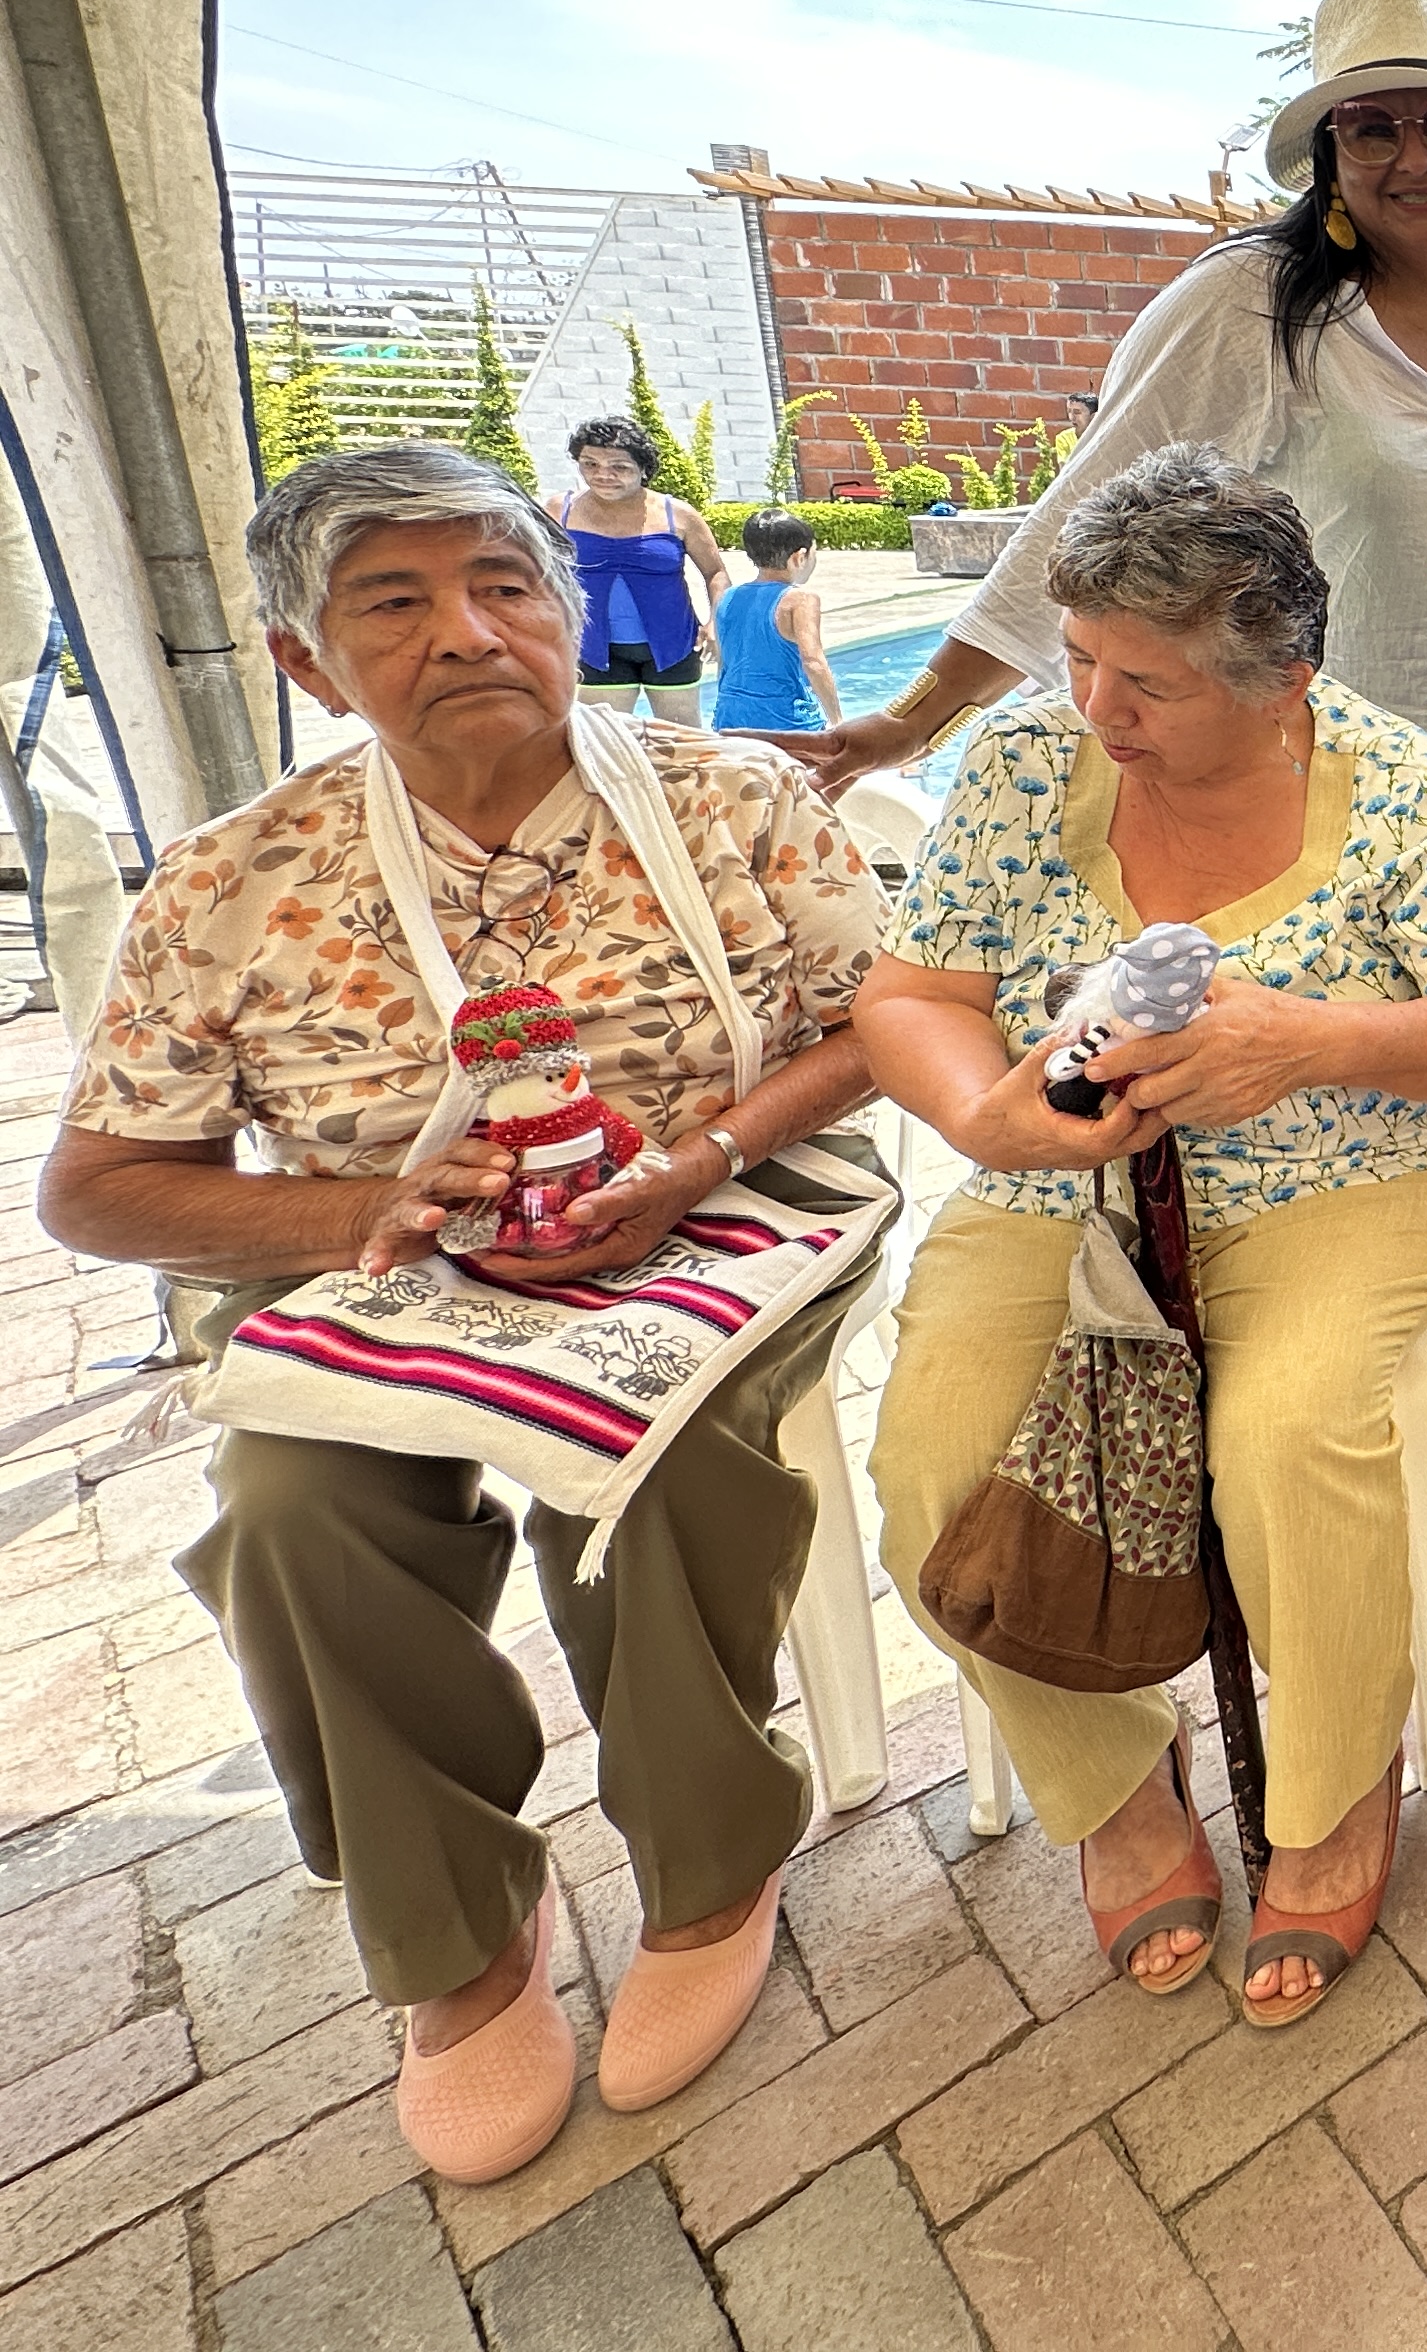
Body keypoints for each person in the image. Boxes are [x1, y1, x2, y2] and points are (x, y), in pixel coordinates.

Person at [40, 445, 888, 2185]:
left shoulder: (730, 799)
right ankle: (458, 1930)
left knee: (661, 1452)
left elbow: (892, 1019)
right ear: (306, 660)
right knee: (292, 1502)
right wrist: (358, 1213)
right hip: (383, 1262)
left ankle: (711, 1860)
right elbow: (100, 1186)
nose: (467, 632)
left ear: (567, 608)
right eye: (395, 603)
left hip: (716, 1209)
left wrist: (702, 1154)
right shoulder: (227, 883)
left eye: (505, 586)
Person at [789, 0, 1427, 1440]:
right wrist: (916, 719)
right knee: (1216, 1030)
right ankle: (1211, 1292)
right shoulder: (1254, 306)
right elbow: (1089, 518)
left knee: (1424, 1058)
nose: (1417, 157)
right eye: (1374, 129)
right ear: (1330, 162)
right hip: (1255, 754)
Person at [860, 447, 1427, 2027]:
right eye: (1080, 659)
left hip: (1347, 1180)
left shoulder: (1399, 787)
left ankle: (1334, 1787)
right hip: (1061, 1186)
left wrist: (1307, 1041)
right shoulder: (1026, 766)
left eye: (1147, 683)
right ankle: (1115, 1785)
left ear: (1282, 678)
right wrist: (988, 1120)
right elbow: (912, 996)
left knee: (1288, 1440)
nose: (1097, 707)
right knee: (930, 1460)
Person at [553, 416, 726, 722]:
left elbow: (716, 573)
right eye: (590, 464)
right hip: (595, 649)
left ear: (643, 468)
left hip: (673, 646)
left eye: (619, 467)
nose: (603, 475)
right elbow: (534, 574)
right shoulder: (560, 512)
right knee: (605, 740)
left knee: (681, 741)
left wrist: (716, 622)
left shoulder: (678, 515)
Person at [713, 508, 840, 732]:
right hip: (787, 723)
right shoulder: (800, 600)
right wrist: (838, 720)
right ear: (799, 557)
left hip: (730, 719)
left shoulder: (728, 597)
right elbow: (813, 662)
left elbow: (725, 663)